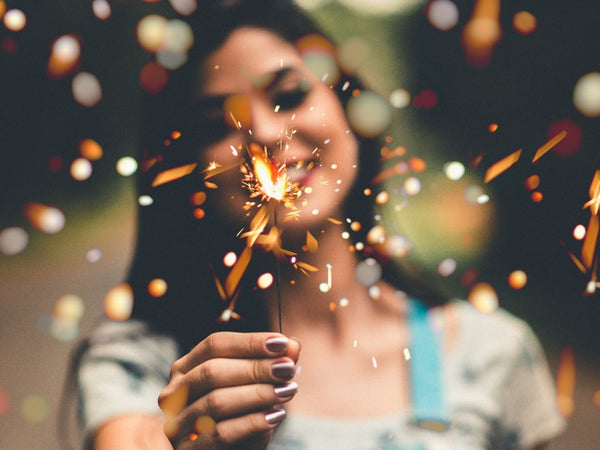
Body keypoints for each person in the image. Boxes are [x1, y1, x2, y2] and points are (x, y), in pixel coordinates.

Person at [73, 0, 566, 448]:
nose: (264, 133)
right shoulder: (141, 365)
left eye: (288, 96)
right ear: (185, 172)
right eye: (215, 125)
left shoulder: (495, 352)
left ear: (350, 108)